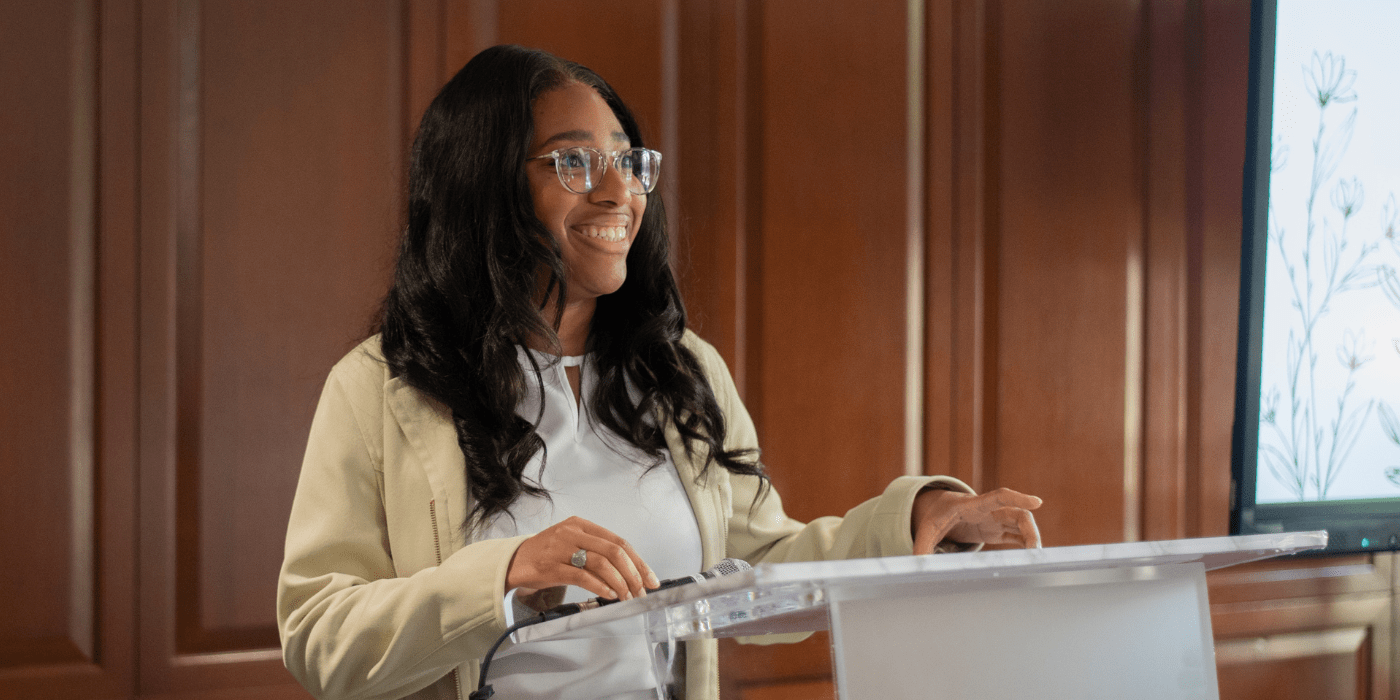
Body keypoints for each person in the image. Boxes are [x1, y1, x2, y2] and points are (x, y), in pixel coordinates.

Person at [276, 44, 1042, 700]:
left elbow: (756, 567)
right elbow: (318, 637)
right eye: (575, 162)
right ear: (483, 185)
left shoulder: (681, 371)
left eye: (627, 161)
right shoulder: (380, 387)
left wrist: (910, 524)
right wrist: (501, 577)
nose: (620, 193)